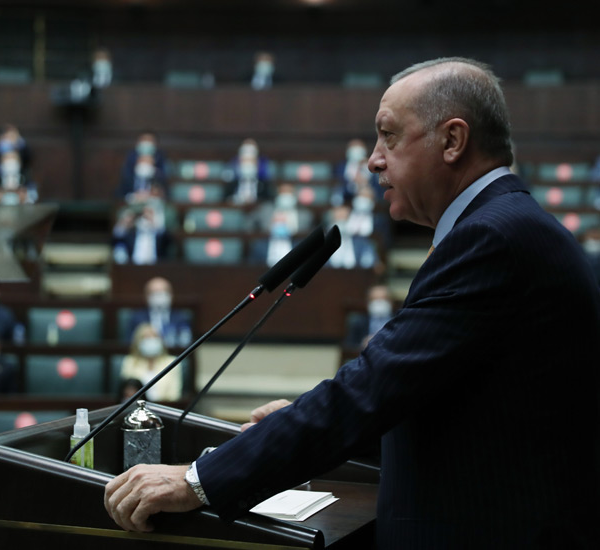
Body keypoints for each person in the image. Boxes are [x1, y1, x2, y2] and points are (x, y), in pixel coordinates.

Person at [104, 57, 600, 548]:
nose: (373, 160)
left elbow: (370, 389)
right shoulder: (505, 226)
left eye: (389, 136)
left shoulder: (491, 239)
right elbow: (458, 413)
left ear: (452, 140)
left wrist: (197, 480)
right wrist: (296, 424)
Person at [120, 323, 182, 402]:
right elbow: (127, 392)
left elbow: (174, 396)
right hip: (137, 407)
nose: (151, 340)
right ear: (138, 341)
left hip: (163, 407)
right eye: (147, 337)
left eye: (155, 336)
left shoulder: (172, 362)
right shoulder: (130, 362)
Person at [124, 277, 192, 348]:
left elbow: (186, 342)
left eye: (163, 292)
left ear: (171, 295)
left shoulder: (182, 317)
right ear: (146, 296)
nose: (159, 296)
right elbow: (128, 343)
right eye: (154, 292)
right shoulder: (136, 318)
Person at [117, 132, 168, 202]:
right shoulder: (129, 160)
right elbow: (123, 187)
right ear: (137, 143)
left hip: (153, 202)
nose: (146, 143)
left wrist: (153, 170)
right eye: (144, 139)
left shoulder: (161, 159)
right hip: (130, 200)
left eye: (149, 140)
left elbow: (164, 183)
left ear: (156, 144)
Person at [222, 138, 273, 204]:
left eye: (251, 160)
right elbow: (225, 199)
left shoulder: (264, 183)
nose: (248, 163)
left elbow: (268, 199)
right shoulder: (232, 182)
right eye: (245, 160)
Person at [344, 284, 394, 350]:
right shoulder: (358, 322)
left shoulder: (399, 320)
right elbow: (348, 346)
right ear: (368, 303)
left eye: (383, 299)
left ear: (391, 302)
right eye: (375, 299)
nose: (379, 303)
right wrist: (362, 344)